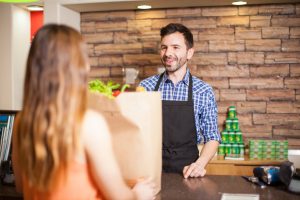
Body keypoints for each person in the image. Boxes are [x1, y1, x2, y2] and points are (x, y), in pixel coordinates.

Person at [12, 24, 155, 200]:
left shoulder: (21, 121)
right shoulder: (88, 123)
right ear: (77, 67)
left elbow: (20, 185)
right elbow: (120, 197)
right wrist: (137, 194)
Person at [139, 23, 221, 179]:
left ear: (189, 53)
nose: (168, 53)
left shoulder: (203, 91)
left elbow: (212, 137)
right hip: (151, 172)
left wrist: (199, 164)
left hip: (188, 173)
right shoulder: (146, 87)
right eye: (164, 47)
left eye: (175, 47)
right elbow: (137, 133)